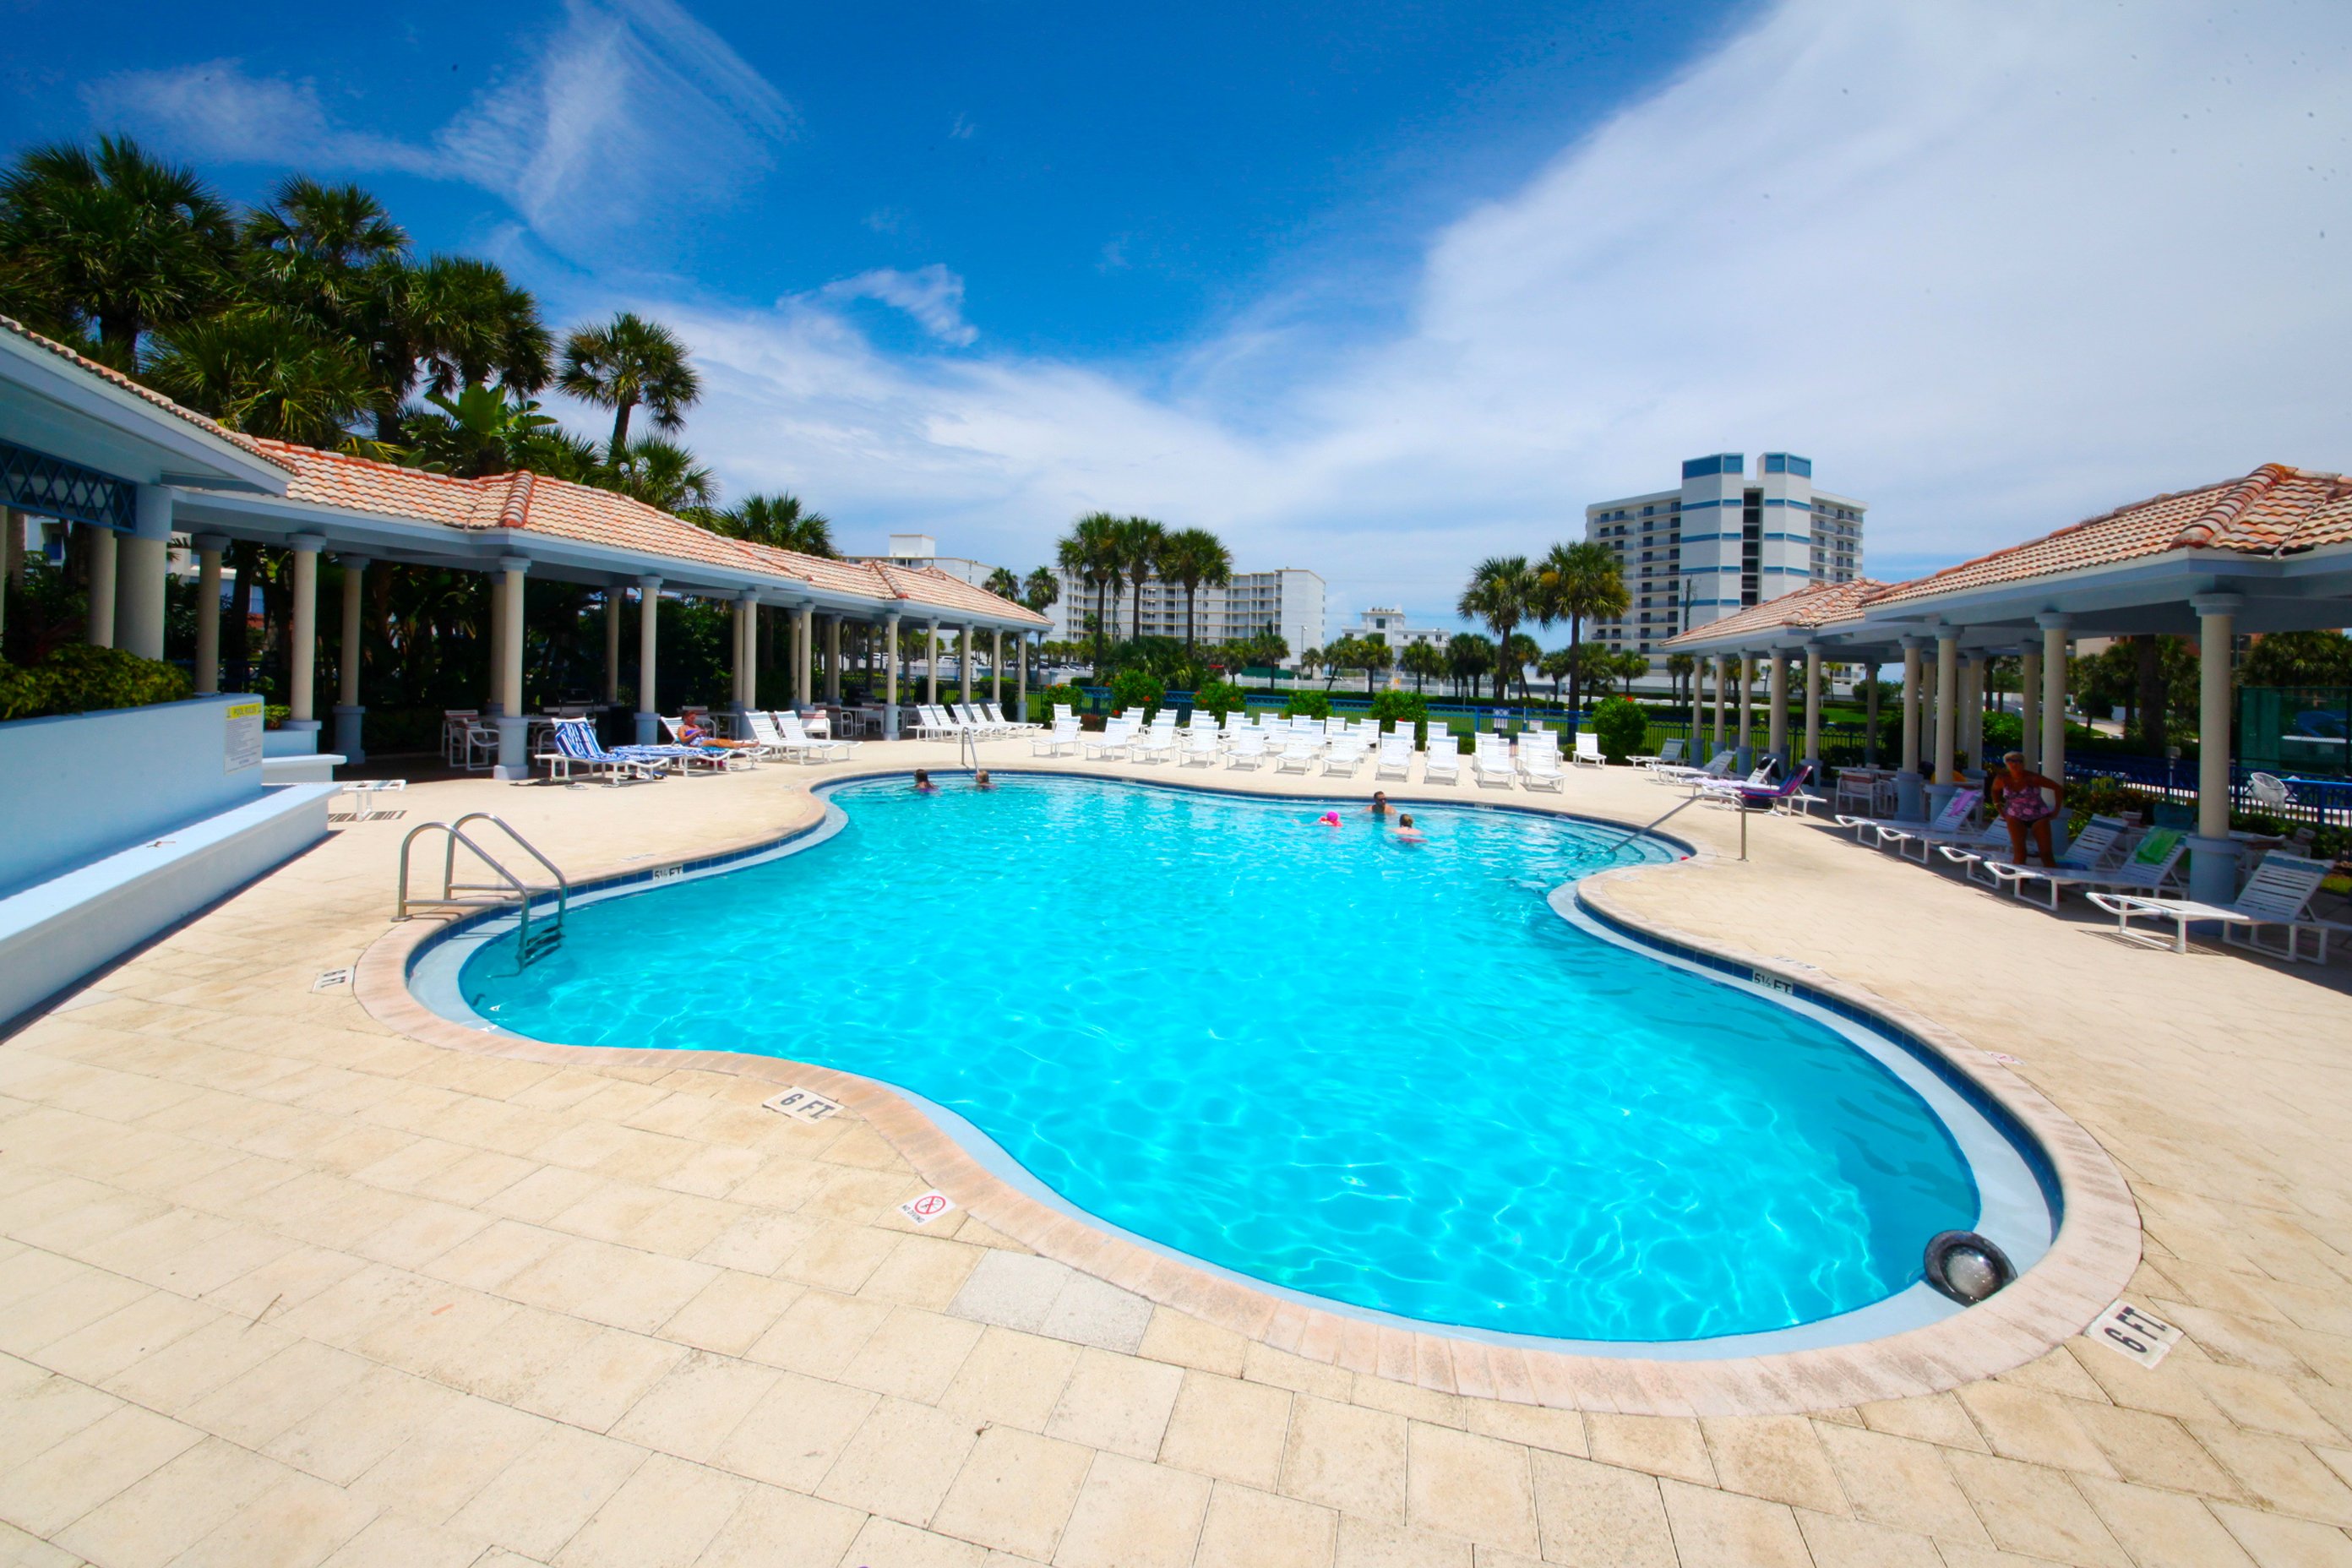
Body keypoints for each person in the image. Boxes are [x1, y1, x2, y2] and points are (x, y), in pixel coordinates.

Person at [1988, 750, 2064, 866]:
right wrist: (1998, 807)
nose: (2015, 764)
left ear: (2023, 763)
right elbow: (1994, 791)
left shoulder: (2032, 778)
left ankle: (2054, 876)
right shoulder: (2002, 778)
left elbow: (2058, 788)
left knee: (2046, 854)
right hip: (2014, 816)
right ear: (2006, 763)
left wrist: (2056, 810)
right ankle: (2019, 876)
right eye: (2010, 761)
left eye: (2019, 761)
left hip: (2038, 816)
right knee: (2019, 853)